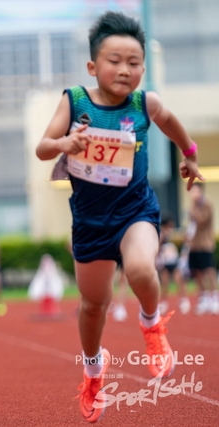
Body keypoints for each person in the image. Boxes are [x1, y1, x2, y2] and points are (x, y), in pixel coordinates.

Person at [36, 11, 203, 423]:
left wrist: (191, 155)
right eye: (115, 61)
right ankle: (94, 372)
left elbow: (171, 124)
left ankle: (151, 325)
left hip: (136, 212)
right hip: (91, 222)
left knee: (142, 268)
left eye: (134, 62)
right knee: (94, 305)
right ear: (93, 66)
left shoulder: (146, 103)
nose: (125, 70)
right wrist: (65, 142)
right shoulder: (74, 100)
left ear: (144, 68)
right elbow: (42, 147)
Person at [187, 183, 219, 315]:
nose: (193, 194)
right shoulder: (192, 205)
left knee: (209, 270)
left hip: (205, 243)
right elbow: (191, 225)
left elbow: (201, 220)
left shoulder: (207, 204)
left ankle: (215, 298)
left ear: (201, 191)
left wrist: (193, 209)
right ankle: (203, 298)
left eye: (196, 191)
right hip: (194, 244)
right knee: (197, 272)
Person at [156, 215, 190, 315]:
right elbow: (158, 247)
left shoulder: (173, 234)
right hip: (165, 262)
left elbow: (183, 240)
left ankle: (184, 300)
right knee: (165, 283)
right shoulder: (162, 234)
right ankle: (163, 302)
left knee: (179, 280)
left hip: (174, 261)